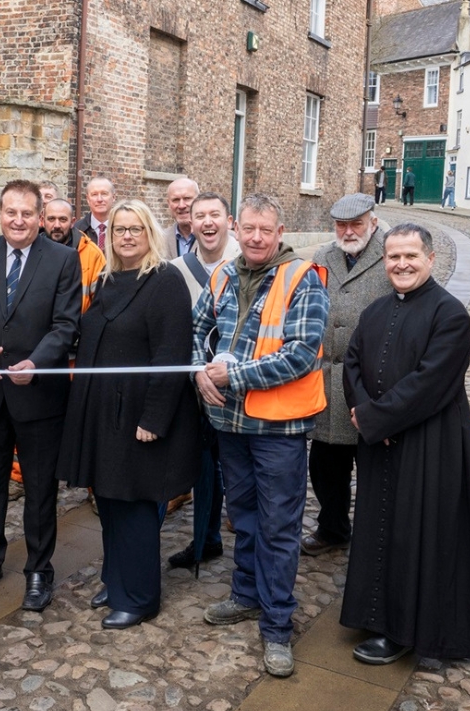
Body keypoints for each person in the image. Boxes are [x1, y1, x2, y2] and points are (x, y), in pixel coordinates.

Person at [192, 193, 329, 679]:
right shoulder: (223, 275)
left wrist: (233, 377)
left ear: (278, 231)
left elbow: (300, 355)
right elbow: (199, 330)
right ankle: (246, 595)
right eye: (247, 228)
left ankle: (277, 626)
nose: (254, 238)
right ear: (236, 226)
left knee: (279, 527)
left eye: (264, 231)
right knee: (244, 516)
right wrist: (198, 373)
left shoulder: (302, 279)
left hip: (279, 430)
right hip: (231, 425)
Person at [340, 223, 470, 665]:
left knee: (418, 533)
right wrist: (365, 413)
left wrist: (375, 419)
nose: (401, 264)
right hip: (379, 442)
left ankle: (411, 629)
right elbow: (352, 364)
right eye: (393, 257)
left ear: (430, 259)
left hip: (430, 444)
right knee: (378, 525)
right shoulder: (375, 311)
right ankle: (377, 616)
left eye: (410, 256)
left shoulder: (451, 315)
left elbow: (430, 382)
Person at [60, 200, 200, 629]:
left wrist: (154, 420)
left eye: (135, 229)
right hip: (102, 413)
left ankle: (140, 597)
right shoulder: (107, 279)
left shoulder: (164, 281)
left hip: (138, 416)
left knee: (136, 505)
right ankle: (115, 579)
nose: (126, 236)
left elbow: (171, 354)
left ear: (149, 233)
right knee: (109, 501)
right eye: (119, 229)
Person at [0, 179, 82, 612]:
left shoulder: (63, 260)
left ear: (40, 218)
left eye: (27, 213)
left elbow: (66, 325)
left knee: (41, 489)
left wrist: (37, 363)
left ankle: (39, 570)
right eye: (10, 212)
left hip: (39, 395)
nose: (18, 221)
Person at [302, 194, 389, 558]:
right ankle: (333, 528)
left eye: (356, 224)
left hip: (373, 382)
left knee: (375, 469)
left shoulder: (391, 254)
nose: (348, 231)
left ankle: (377, 535)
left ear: (372, 222)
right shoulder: (322, 257)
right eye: (341, 225)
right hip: (325, 382)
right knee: (325, 467)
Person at [164, 192, 241, 571]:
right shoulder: (175, 270)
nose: (208, 222)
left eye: (215, 214)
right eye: (200, 216)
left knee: (236, 470)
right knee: (203, 465)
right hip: (191, 386)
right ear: (189, 223)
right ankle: (206, 539)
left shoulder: (248, 263)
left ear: (230, 221)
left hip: (240, 388)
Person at [41, 198, 108, 312]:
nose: (57, 225)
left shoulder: (92, 254)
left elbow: (102, 304)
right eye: (51, 219)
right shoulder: (30, 251)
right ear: (42, 220)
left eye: (63, 219)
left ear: (72, 222)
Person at [162, 177, 199, 258]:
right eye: (176, 200)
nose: (181, 205)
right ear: (168, 203)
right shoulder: (159, 240)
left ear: (199, 200)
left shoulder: (221, 237)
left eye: (187, 198)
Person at [75, 177, 114, 245]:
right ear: (88, 199)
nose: (99, 199)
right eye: (94, 194)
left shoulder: (123, 229)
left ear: (113, 197)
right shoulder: (77, 230)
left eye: (104, 194)